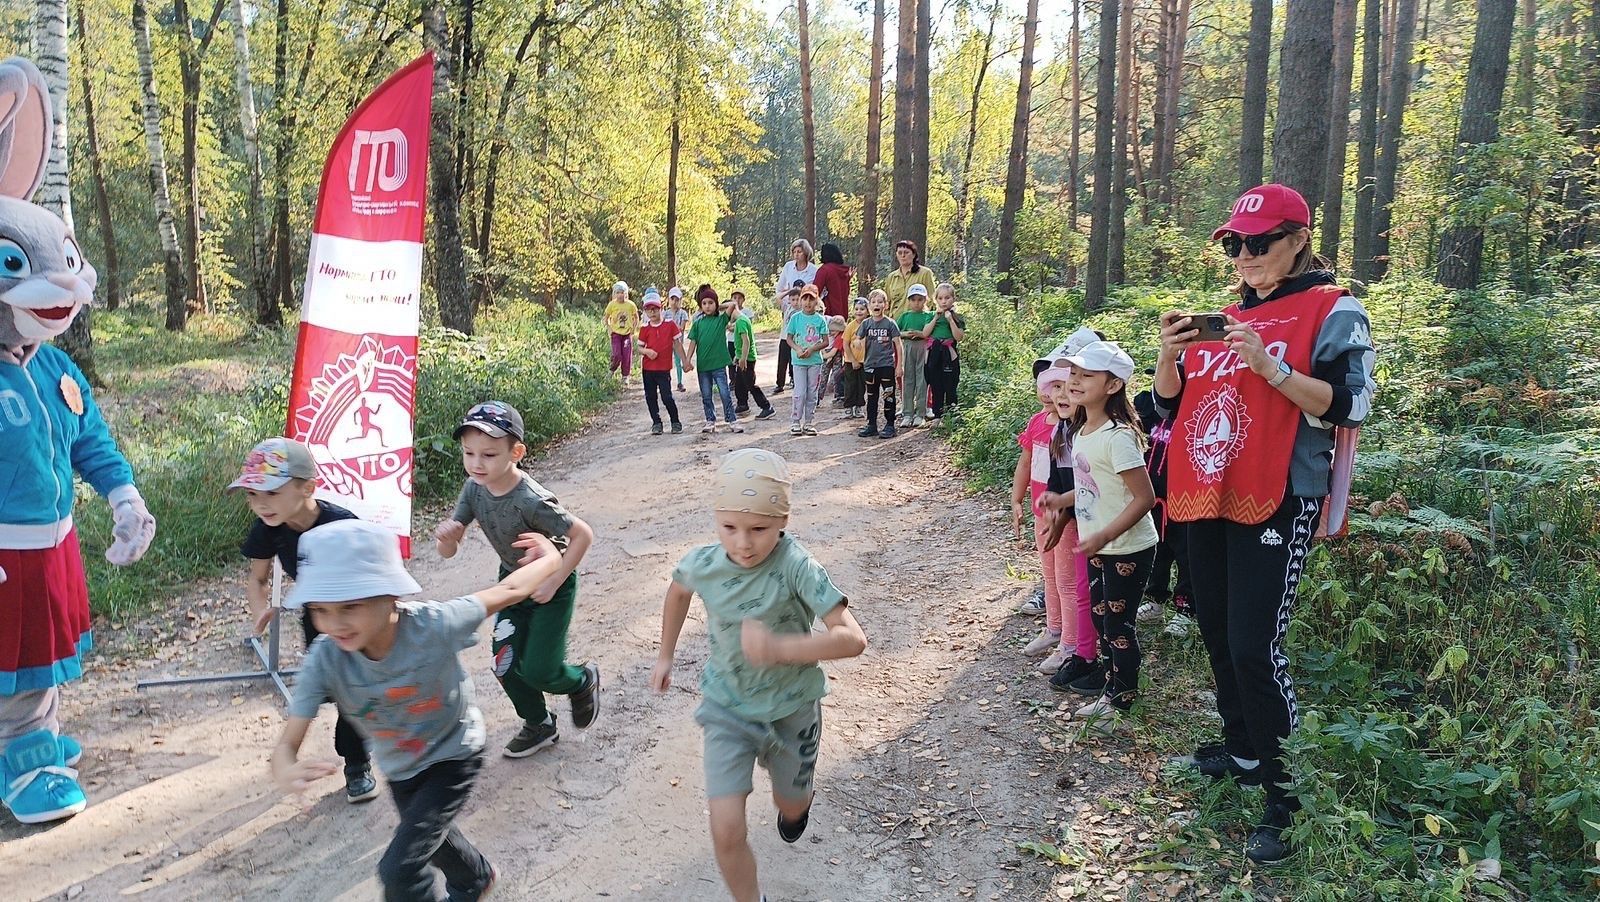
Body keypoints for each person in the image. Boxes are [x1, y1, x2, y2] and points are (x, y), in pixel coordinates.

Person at [1154, 183, 1375, 865]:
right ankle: (1243, 750)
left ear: (1299, 239)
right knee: (1217, 630)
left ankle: (1285, 796)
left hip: (1278, 493)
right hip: (1206, 492)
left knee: (1256, 646)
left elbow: (1350, 403)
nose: (1246, 255)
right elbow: (1168, 407)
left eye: (1262, 242)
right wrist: (1168, 352)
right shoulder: (1222, 317)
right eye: (1235, 243)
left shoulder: (1333, 308)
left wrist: (1272, 368)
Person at [271, 519, 564, 902]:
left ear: (391, 593)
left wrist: (552, 557)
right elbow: (286, 745)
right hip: (400, 766)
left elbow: (508, 590)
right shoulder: (326, 659)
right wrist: (286, 766)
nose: (334, 623)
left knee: (400, 868)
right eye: (320, 610)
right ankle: (475, 879)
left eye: (350, 605)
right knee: (430, 835)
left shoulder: (434, 626)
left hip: (454, 752)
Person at [650, 448, 868, 902]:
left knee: (791, 804)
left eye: (759, 530)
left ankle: (794, 809)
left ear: (783, 519)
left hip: (793, 709)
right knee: (726, 829)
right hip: (727, 707)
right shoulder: (704, 563)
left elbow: (852, 639)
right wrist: (665, 654)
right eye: (729, 527)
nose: (743, 544)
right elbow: (678, 591)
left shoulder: (796, 566)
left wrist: (780, 648)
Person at [433, 401, 601, 757]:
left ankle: (581, 681)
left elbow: (582, 534)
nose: (477, 463)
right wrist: (448, 540)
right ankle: (539, 723)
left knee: (540, 669)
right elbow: (449, 551)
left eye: (489, 454)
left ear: (516, 452)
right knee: (504, 662)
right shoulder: (474, 489)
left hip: (551, 588)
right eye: (469, 453)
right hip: (513, 584)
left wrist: (555, 581)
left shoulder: (531, 499)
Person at [232, 437, 375, 802]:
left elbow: (374, 577)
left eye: (271, 492)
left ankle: (357, 764)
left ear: (307, 487)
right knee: (337, 687)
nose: (260, 504)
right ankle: (349, 755)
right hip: (318, 617)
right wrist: (259, 608)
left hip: (357, 614)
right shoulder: (269, 528)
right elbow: (257, 578)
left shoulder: (341, 524)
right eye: (251, 495)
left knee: (352, 689)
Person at [1038, 341, 1159, 735]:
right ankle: (1109, 690)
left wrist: (1105, 533)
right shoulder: (1082, 431)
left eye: (1085, 376)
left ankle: (1122, 699)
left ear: (1112, 386)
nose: (1074, 382)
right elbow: (1094, 486)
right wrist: (1063, 497)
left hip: (1127, 547)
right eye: (1072, 374)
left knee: (1117, 626)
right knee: (1101, 616)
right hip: (1099, 543)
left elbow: (1145, 498)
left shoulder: (1117, 435)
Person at [1012, 369, 1080, 676]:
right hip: (1041, 510)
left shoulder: (1072, 429)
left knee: (1067, 580)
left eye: (1060, 386)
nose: (1051, 394)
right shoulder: (1037, 423)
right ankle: (1054, 627)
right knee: (1049, 574)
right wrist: (1016, 500)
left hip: (1063, 516)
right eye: (1048, 386)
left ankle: (1071, 644)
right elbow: (1026, 462)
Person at [1133, 387, 1194, 636]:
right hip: (1155, 501)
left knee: (1186, 557)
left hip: (1185, 502)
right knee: (1157, 552)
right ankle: (1155, 599)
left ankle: (1185, 610)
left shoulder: (1194, 416)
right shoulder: (1154, 414)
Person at [685, 286, 745, 434]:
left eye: (711, 302)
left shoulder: (721, 320)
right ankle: (710, 420)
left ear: (716, 304)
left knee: (725, 393)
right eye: (704, 303)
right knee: (706, 395)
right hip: (703, 366)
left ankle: (732, 420)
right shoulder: (698, 324)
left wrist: (718, 306)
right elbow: (693, 343)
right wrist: (687, 360)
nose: (707, 306)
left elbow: (732, 305)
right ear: (700, 306)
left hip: (718, 365)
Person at [853, 290, 901, 439]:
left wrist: (900, 366)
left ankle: (890, 425)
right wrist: (857, 343)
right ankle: (871, 424)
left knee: (888, 395)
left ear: (885, 305)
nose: (876, 305)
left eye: (880, 302)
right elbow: (857, 338)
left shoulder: (890, 323)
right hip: (870, 366)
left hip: (886, 365)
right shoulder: (866, 324)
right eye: (873, 302)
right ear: (869, 306)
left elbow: (899, 345)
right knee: (872, 396)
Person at [636, 290, 685, 434]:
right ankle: (656, 422)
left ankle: (675, 421)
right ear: (645, 311)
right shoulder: (645, 328)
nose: (652, 312)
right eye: (649, 310)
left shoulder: (670, 325)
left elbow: (677, 344)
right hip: (648, 369)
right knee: (650, 397)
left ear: (661, 309)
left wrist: (685, 361)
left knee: (666, 396)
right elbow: (639, 347)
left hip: (663, 369)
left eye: (655, 309)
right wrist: (647, 351)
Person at [784, 285, 829, 436]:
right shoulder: (795, 318)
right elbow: (788, 338)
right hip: (798, 361)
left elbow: (825, 341)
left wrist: (812, 349)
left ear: (817, 301)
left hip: (815, 361)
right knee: (800, 392)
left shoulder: (820, 320)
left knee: (812, 393)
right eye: (805, 298)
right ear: (801, 300)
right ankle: (795, 421)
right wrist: (797, 349)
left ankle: (808, 422)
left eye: (811, 299)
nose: (808, 302)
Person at [775, 240, 819, 394]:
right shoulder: (788, 267)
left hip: (806, 309)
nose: (796, 255)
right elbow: (779, 288)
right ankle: (779, 381)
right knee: (785, 343)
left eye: (799, 251)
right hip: (789, 307)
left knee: (801, 342)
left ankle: (796, 377)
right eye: (794, 252)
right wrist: (787, 298)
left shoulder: (813, 270)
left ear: (806, 253)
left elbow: (817, 290)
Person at [729, 291, 777, 421]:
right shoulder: (740, 320)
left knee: (750, 384)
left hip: (748, 359)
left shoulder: (741, 321)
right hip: (742, 358)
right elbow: (739, 343)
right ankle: (742, 405)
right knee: (739, 383)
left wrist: (743, 358)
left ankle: (767, 407)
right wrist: (738, 357)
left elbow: (746, 341)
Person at [894, 283, 935, 429]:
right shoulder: (905, 316)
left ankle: (920, 413)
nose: (916, 303)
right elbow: (895, 331)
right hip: (907, 347)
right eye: (913, 299)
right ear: (909, 301)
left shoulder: (928, 315)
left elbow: (929, 331)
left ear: (925, 300)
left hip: (923, 347)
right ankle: (907, 413)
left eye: (919, 299)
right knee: (908, 379)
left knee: (922, 380)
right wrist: (906, 334)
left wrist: (920, 334)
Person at [926, 282, 967, 422]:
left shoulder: (958, 317)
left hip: (950, 353)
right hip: (934, 353)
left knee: (950, 383)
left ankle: (952, 414)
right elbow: (925, 333)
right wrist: (935, 318)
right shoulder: (931, 315)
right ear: (936, 300)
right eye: (940, 298)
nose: (944, 301)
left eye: (947, 298)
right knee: (935, 384)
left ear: (953, 299)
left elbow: (959, 337)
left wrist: (950, 320)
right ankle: (937, 415)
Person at [880, 240, 937, 319]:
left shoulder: (925, 273)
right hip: (895, 323)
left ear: (913, 254)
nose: (903, 255)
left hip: (917, 322)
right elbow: (886, 303)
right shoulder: (892, 277)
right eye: (900, 253)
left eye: (906, 252)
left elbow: (932, 299)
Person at [604, 281, 639, 385]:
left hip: (627, 334)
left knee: (626, 354)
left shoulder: (630, 305)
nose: (620, 295)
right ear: (615, 293)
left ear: (626, 293)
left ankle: (625, 376)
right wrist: (609, 328)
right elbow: (606, 318)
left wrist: (634, 327)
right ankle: (612, 370)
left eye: (622, 292)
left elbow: (636, 317)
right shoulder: (612, 305)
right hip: (615, 334)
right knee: (617, 354)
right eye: (618, 292)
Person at [839, 297, 869, 417]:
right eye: (856, 309)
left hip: (865, 361)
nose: (859, 311)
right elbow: (845, 344)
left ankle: (859, 406)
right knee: (850, 385)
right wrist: (852, 360)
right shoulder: (850, 326)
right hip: (850, 361)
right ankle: (849, 407)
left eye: (862, 309)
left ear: (867, 311)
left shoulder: (869, 324)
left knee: (862, 385)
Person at [813, 243, 852, 318]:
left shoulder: (824, 270)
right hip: (843, 312)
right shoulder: (844, 272)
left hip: (828, 313)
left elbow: (815, 290)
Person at [818, 315, 847, 407]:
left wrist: (824, 356)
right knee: (824, 377)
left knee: (836, 376)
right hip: (829, 353)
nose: (831, 332)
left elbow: (833, 353)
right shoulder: (834, 335)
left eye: (833, 330)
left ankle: (838, 397)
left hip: (834, 355)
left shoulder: (840, 338)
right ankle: (818, 397)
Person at [667, 287, 691, 392]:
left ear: (680, 301)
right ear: (669, 300)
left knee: (678, 362)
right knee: (667, 362)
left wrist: (672, 327)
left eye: (677, 300)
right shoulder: (665, 313)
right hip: (667, 342)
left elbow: (681, 328)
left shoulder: (683, 314)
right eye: (672, 299)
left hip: (678, 342)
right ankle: (666, 381)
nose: (674, 302)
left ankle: (680, 382)